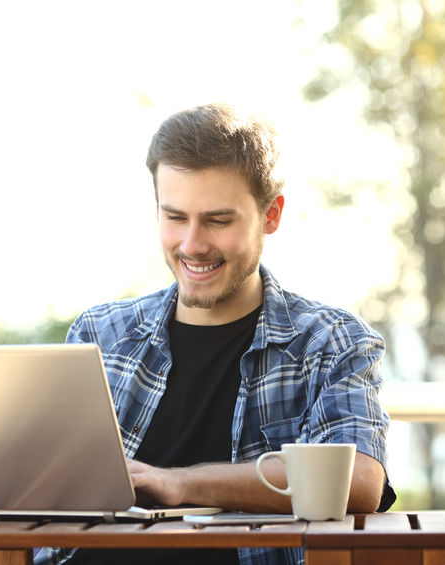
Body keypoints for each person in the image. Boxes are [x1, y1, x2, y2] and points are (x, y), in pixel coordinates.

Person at [34, 103, 395, 565]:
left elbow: (359, 482)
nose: (192, 245)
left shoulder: (330, 342)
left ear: (272, 215)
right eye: (175, 217)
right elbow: (45, 485)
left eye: (218, 221)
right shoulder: (100, 334)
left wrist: (181, 483)